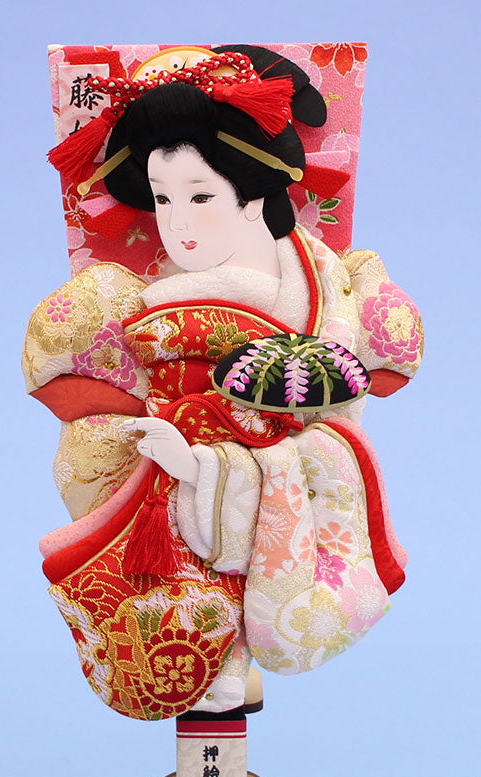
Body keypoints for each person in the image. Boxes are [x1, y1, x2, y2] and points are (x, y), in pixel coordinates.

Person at [23, 45, 423, 721]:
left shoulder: (325, 292)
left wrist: (202, 467)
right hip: (167, 490)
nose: (176, 222)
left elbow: (332, 415)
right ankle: (213, 669)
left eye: (200, 195)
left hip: (250, 478)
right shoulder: (140, 298)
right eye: (162, 198)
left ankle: (226, 664)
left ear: (256, 192)